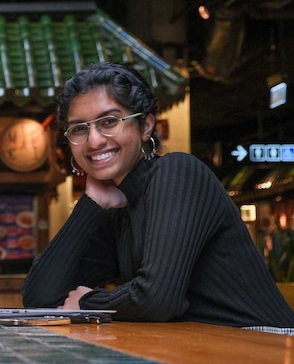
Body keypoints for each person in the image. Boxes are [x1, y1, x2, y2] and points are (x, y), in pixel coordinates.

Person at [23, 61, 294, 329]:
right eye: (79, 128)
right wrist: (90, 203)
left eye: (109, 121)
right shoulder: (118, 207)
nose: (94, 141)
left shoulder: (178, 172)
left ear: (145, 126)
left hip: (269, 347)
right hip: (207, 349)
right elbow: (40, 299)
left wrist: (88, 302)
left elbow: (157, 298)